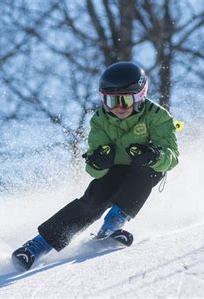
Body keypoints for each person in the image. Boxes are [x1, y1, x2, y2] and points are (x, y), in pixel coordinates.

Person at [11, 61, 179, 270]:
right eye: (110, 101)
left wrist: (154, 155)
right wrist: (98, 161)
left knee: (145, 174)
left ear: (139, 96)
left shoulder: (157, 116)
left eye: (124, 100)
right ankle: (37, 247)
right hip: (115, 169)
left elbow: (172, 157)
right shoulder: (100, 120)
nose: (117, 107)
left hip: (145, 167)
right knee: (94, 199)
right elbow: (93, 168)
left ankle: (113, 224)